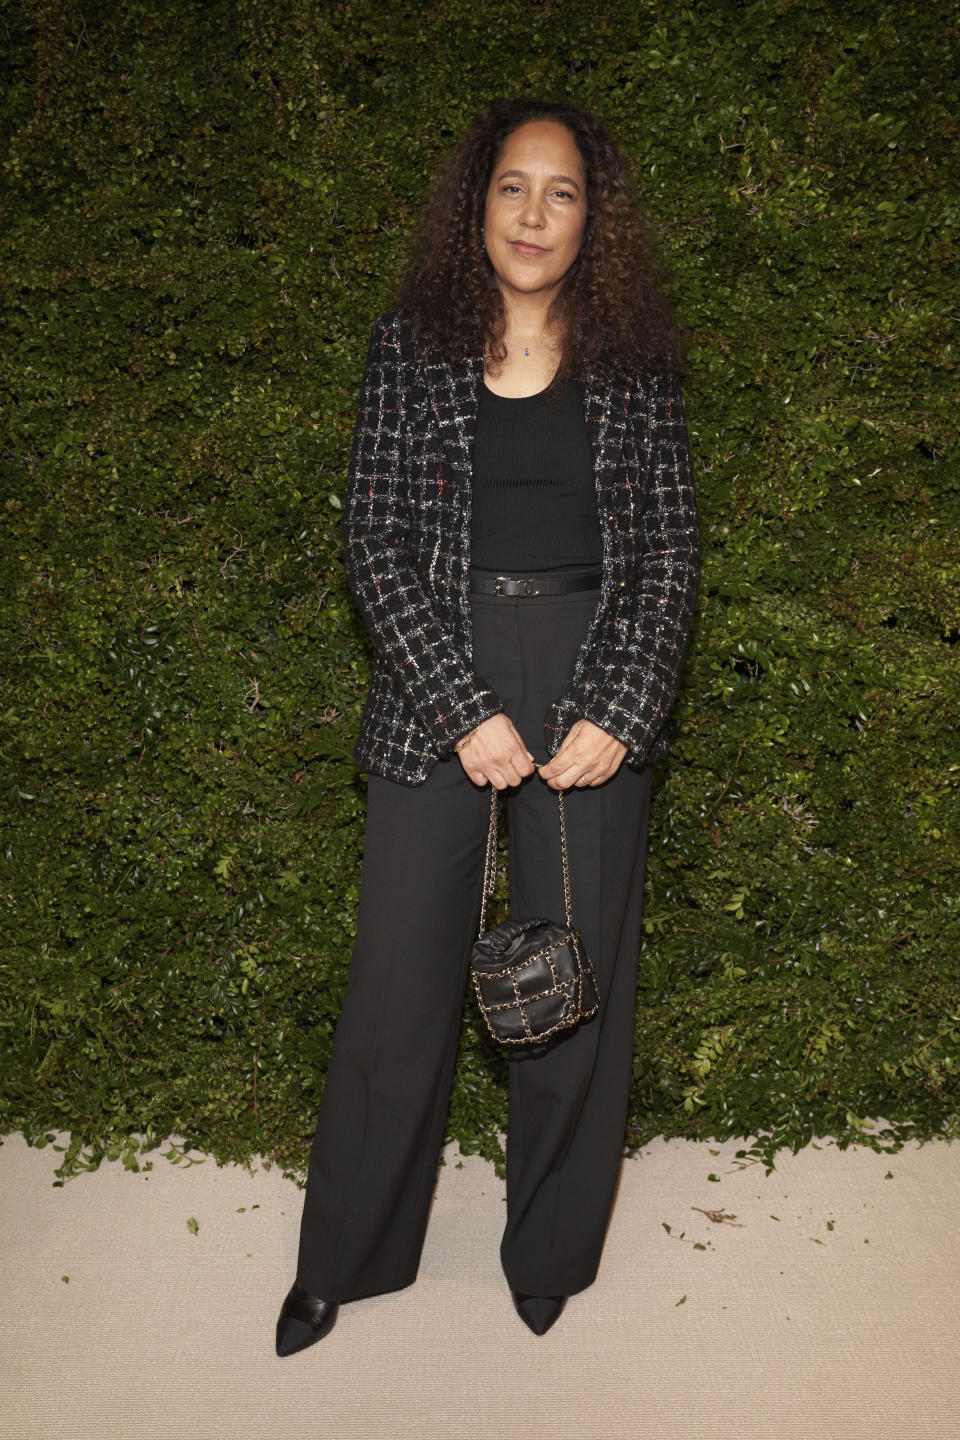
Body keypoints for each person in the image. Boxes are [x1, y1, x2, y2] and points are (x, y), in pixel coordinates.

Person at [275, 97, 699, 1355]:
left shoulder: (634, 359)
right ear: (479, 203)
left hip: (591, 667)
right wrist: (467, 708)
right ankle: (345, 1259)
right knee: (397, 987)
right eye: (513, 186)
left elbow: (671, 551)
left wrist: (619, 708)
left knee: (573, 990)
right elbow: (374, 544)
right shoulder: (410, 345)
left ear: (592, 218)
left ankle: (551, 1250)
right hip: (439, 673)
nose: (532, 213)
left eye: (561, 192)